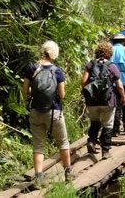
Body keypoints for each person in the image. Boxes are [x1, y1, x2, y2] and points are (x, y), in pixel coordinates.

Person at [23, 41, 72, 186]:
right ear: (54, 54)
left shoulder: (32, 68)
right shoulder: (57, 71)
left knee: (38, 146)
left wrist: (35, 94)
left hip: (35, 111)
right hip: (54, 112)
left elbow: (25, 90)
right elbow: (62, 95)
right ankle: (68, 172)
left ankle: (38, 178)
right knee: (63, 142)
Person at [82, 41, 125, 159]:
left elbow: (83, 82)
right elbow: (119, 85)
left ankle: (92, 141)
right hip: (108, 100)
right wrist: (123, 96)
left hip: (92, 101)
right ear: (109, 53)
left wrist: (89, 92)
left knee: (95, 121)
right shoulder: (112, 66)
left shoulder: (90, 65)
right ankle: (105, 150)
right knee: (108, 124)